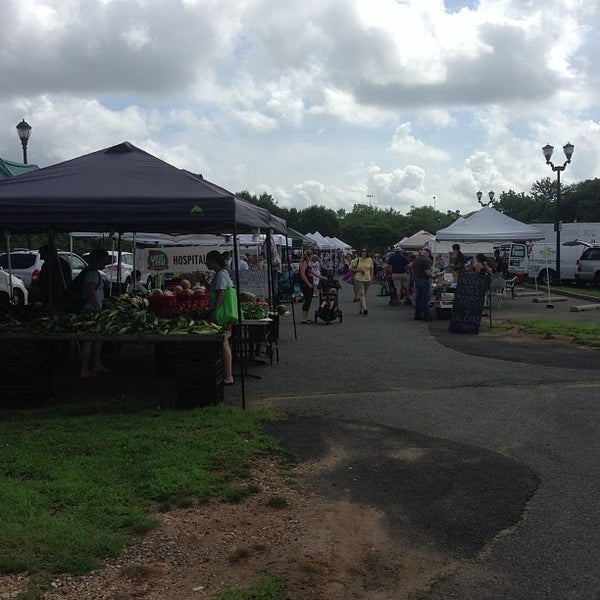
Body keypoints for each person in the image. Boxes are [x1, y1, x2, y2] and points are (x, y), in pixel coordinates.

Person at [80, 248, 110, 378]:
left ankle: (96, 365)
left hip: (94, 310)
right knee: (89, 340)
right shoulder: (92, 274)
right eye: (104, 260)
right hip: (91, 311)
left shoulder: (92, 273)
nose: (105, 262)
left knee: (97, 339)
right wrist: (97, 307)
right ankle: (84, 369)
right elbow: (91, 292)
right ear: (97, 260)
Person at [206, 250, 235, 385]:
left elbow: (221, 294)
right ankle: (227, 374)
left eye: (207, 261)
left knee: (224, 343)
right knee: (224, 342)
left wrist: (215, 311)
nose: (206, 263)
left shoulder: (221, 275)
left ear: (213, 261)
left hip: (223, 314)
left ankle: (229, 376)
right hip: (221, 312)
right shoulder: (219, 274)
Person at [35, 244, 72, 308]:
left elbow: (42, 281)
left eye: (42, 254)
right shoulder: (62, 263)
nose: (41, 258)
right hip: (58, 293)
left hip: (55, 294)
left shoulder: (51, 265)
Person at [351, 247, 374, 315]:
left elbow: (372, 269)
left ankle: (361, 308)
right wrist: (359, 270)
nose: (364, 252)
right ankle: (365, 309)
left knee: (364, 295)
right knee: (362, 294)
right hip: (358, 279)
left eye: (365, 251)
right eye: (363, 251)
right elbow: (352, 269)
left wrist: (372, 277)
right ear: (360, 252)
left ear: (367, 252)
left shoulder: (370, 260)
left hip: (367, 279)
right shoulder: (357, 259)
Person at [412, 248, 433, 321]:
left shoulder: (416, 260)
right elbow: (427, 272)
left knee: (418, 298)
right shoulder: (426, 260)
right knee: (425, 299)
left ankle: (417, 315)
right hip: (424, 280)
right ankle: (426, 316)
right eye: (429, 254)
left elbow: (413, 269)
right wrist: (433, 276)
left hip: (417, 279)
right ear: (427, 253)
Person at [299, 249, 315, 323]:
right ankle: (303, 318)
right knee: (307, 300)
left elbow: (312, 272)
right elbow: (302, 274)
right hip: (305, 284)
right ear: (310, 256)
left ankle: (306, 316)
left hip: (309, 283)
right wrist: (308, 283)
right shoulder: (304, 263)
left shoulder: (308, 263)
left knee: (309, 300)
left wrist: (321, 277)